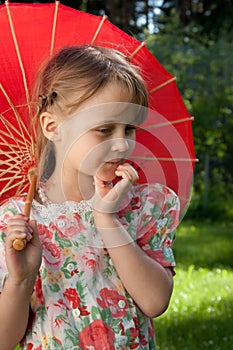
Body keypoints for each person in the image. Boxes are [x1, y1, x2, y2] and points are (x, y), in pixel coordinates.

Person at [0, 45, 180, 349]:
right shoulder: (19, 222)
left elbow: (154, 301)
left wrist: (106, 218)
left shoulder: (143, 205)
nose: (121, 144)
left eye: (129, 129)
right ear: (52, 127)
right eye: (105, 129)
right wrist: (21, 280)